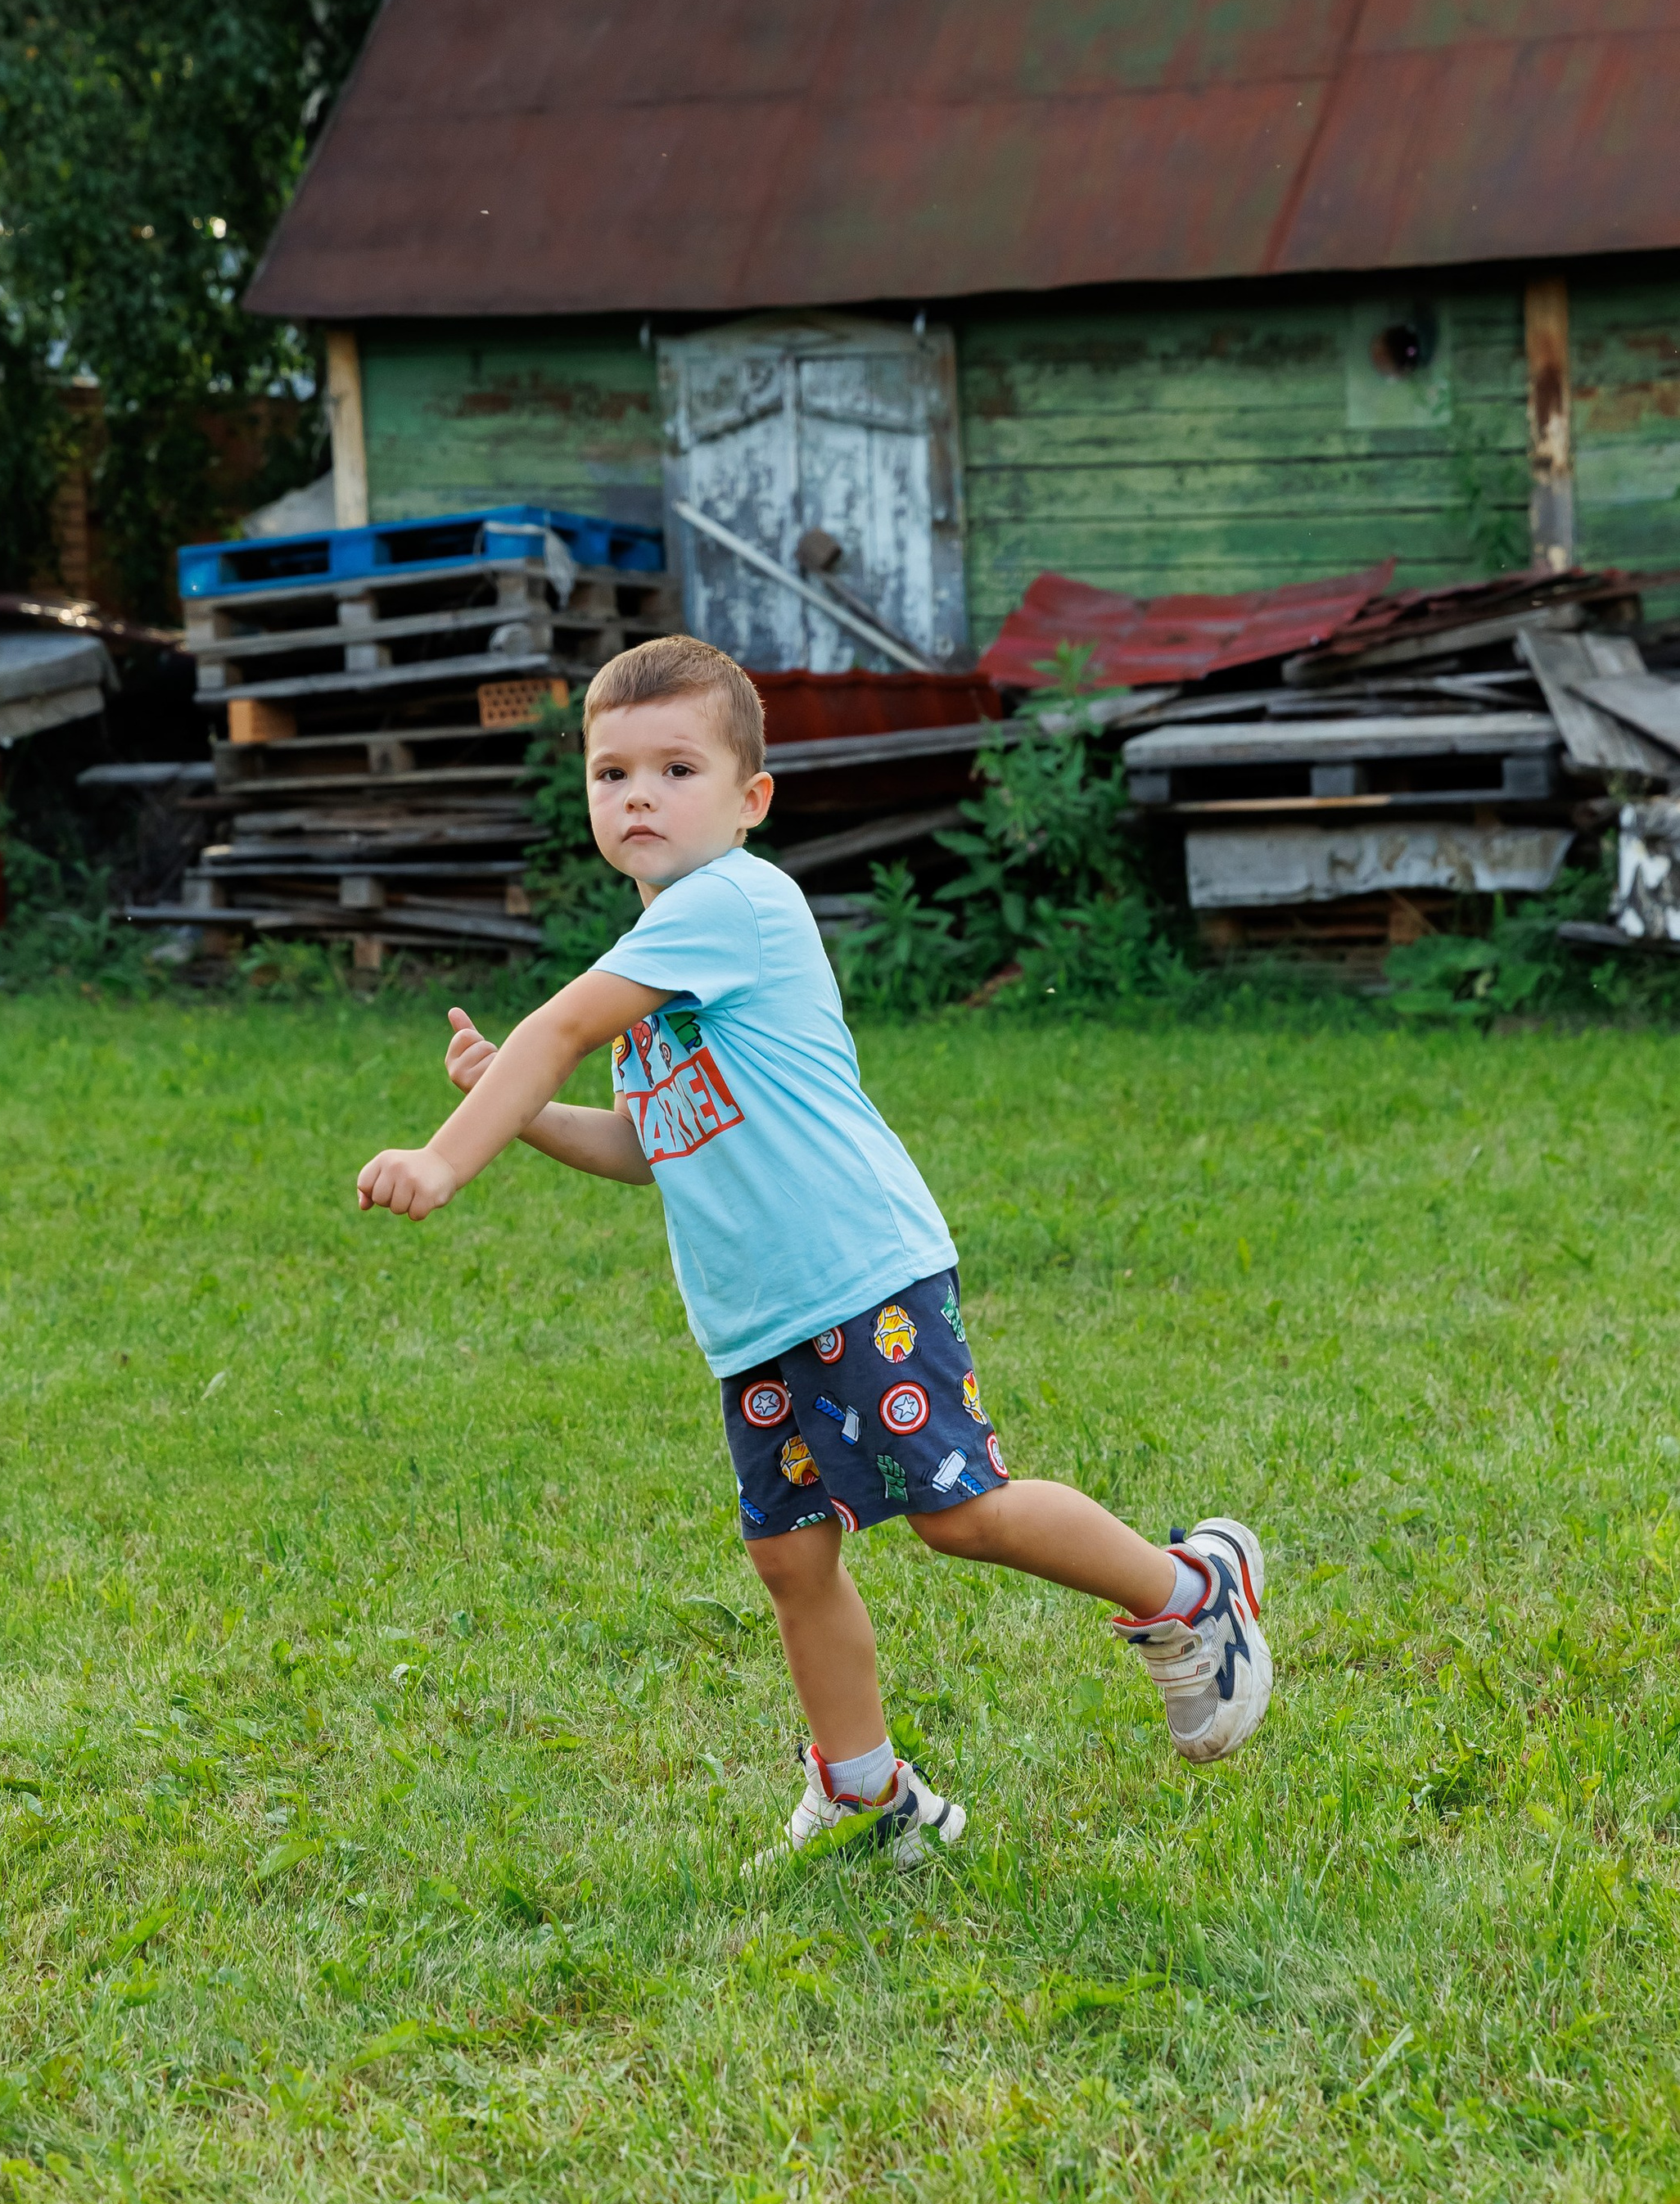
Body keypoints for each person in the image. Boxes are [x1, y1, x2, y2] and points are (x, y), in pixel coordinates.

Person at [356, 635, 1271, 1863]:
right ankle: (866, 1791)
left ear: (750, 800)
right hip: (760, 1318)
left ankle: (1190, 1594)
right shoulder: (662, 956)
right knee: (792, 1556)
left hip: (858, 1273)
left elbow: (561, 1022)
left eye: (677, 769)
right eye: (611, 772)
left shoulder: (733, 902)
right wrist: (514, 1112)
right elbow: (647, 1143)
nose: (638, 795)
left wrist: (446, 1152)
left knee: (962, 1514)